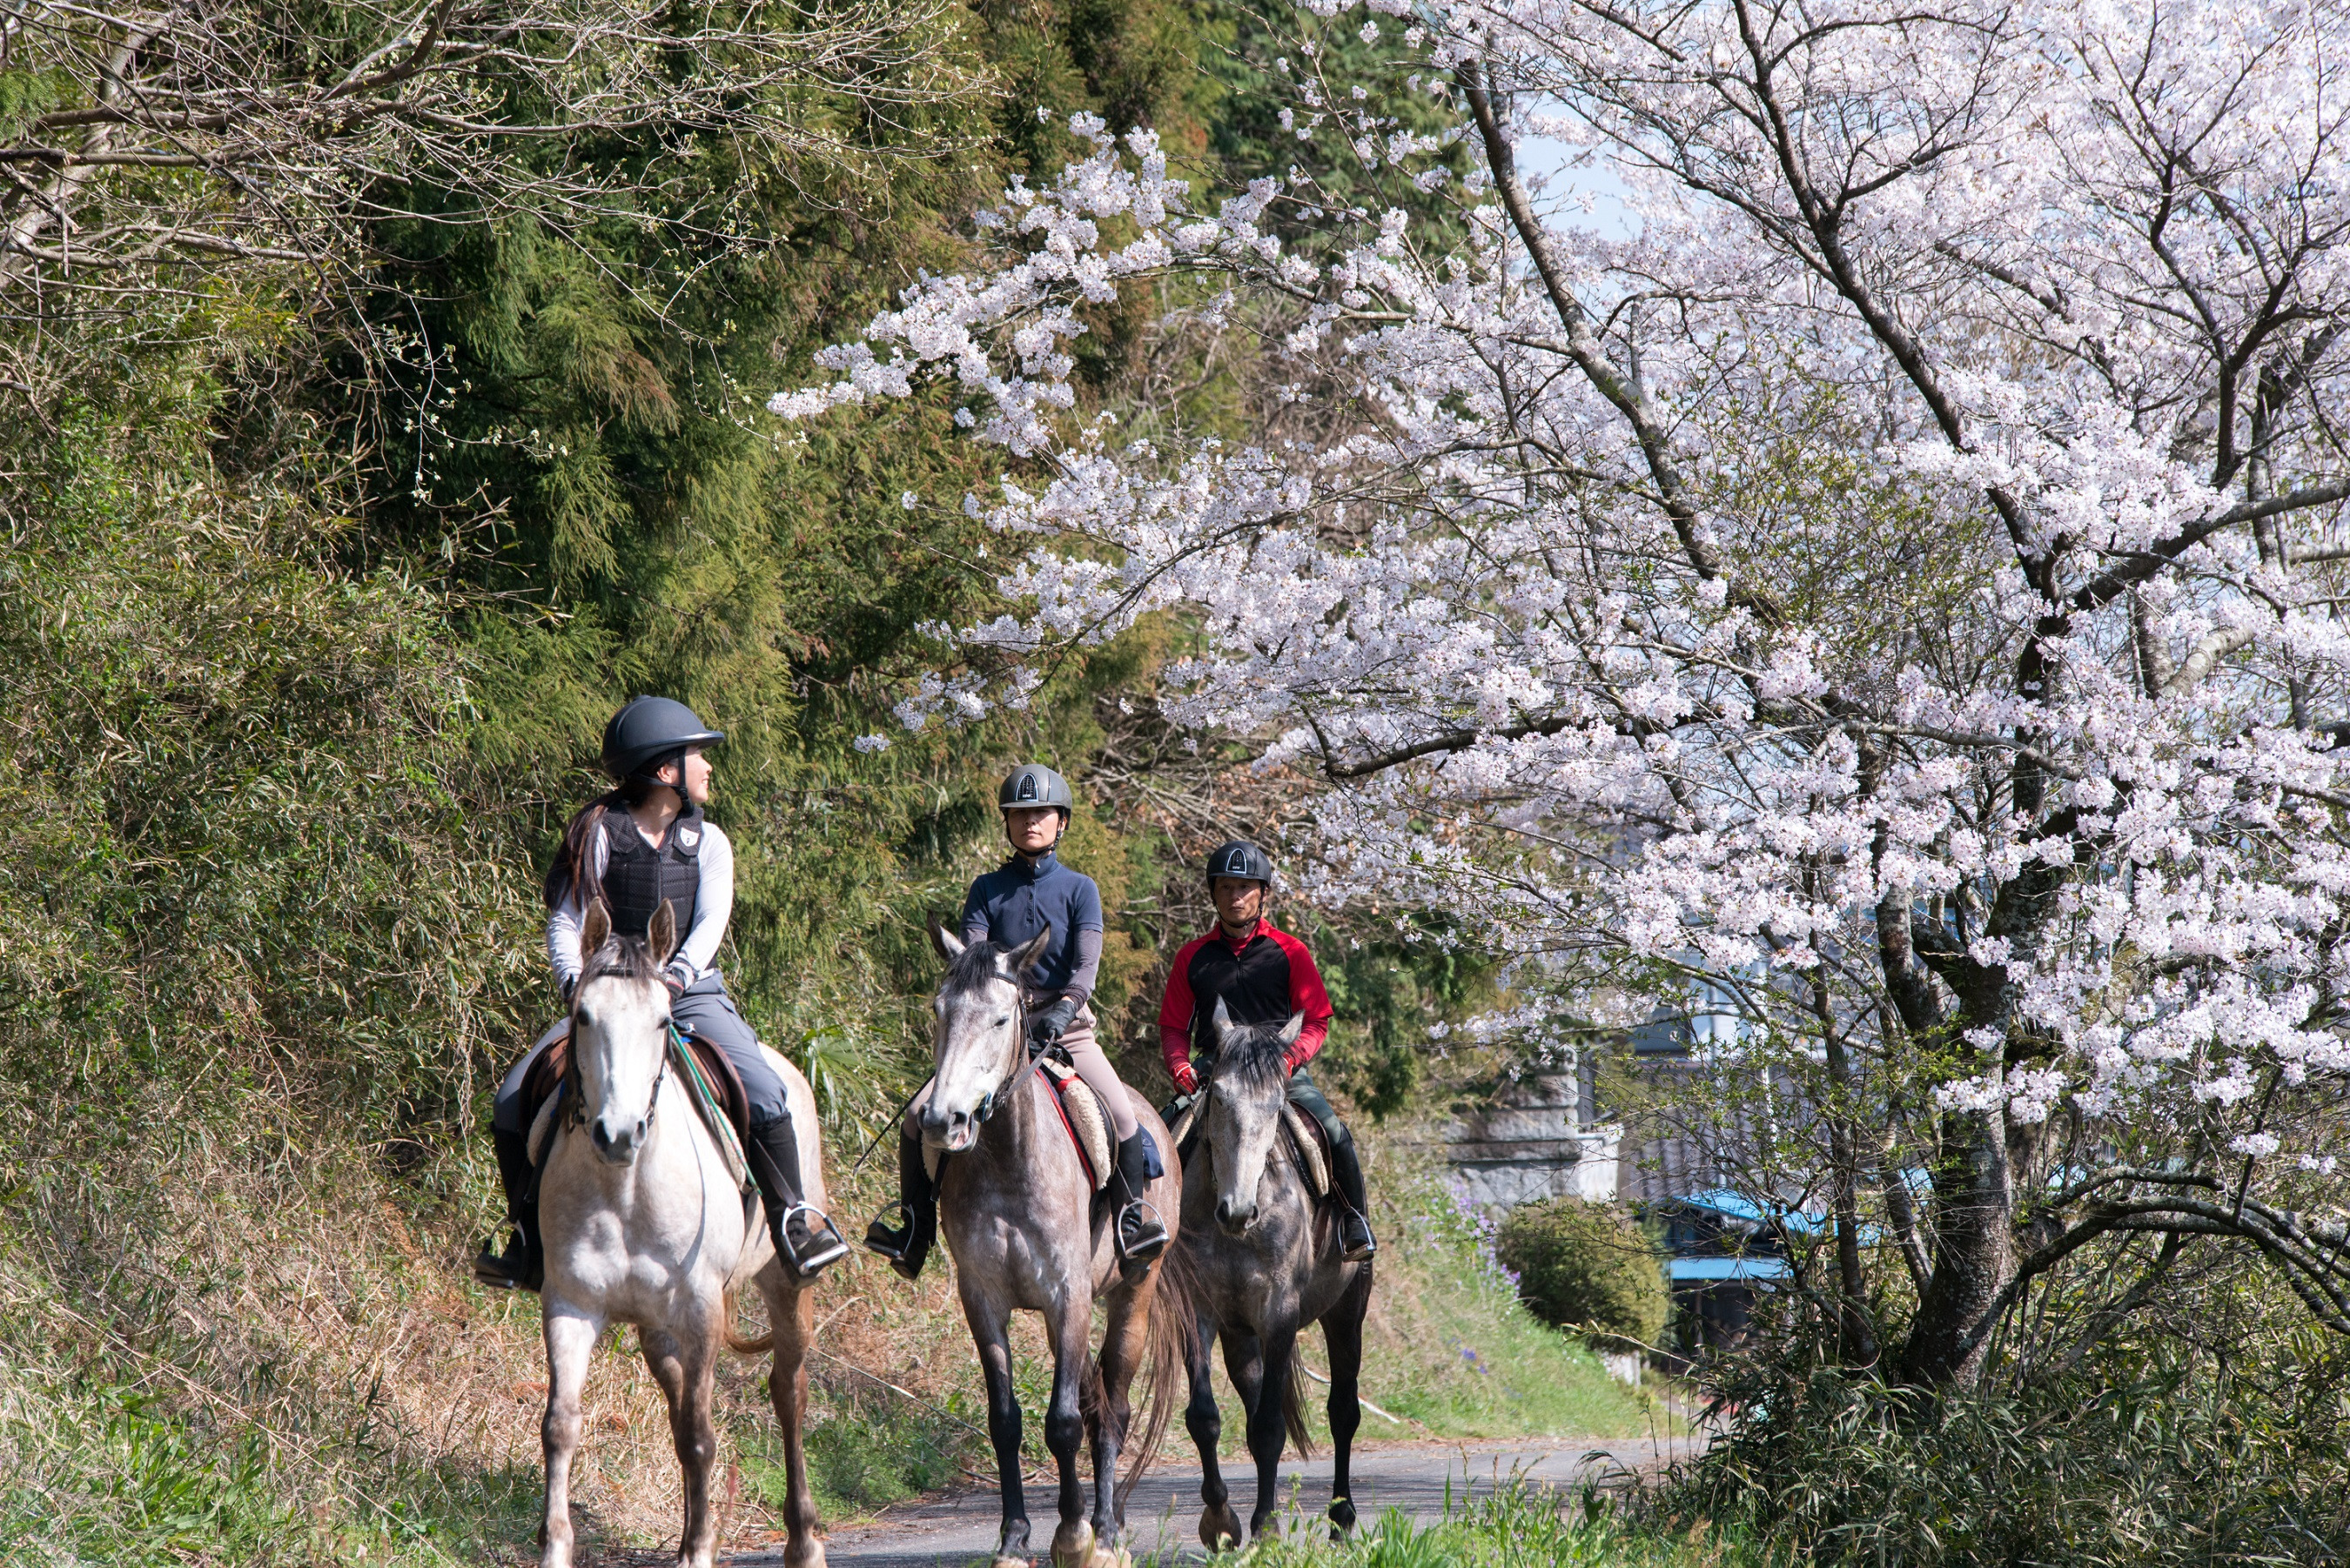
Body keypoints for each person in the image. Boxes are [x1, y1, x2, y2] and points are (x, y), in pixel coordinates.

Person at [474, 696, 850, 1291]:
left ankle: (794, 1220)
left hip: (691, 992)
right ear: (665, 769)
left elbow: (709, 926)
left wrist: (675, 979)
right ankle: (525, 1239)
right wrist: (576, 984)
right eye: (697, 755)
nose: (707, 767)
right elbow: (568, 920)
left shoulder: (713, 844)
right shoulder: (599, 832)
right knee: (511, 1099)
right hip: (608, 998)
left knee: (768, 1091)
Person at [864, 763, 1169, 1280]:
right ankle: (915, 1230)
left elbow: (1086, 966)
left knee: (1121, 1117)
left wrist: (1066, 1011)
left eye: (1041, 812)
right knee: (918, 1118)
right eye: (1019, 813)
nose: (1030, 820)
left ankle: (1131, 1222)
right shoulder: (987, 888)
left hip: (1066, 1026)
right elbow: (974, 959)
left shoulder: (1080, 889)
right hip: (995, 1031)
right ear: (1007, 822)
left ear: (1061, 822)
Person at [1158, 841, 1377, 1262]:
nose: (1235, 897)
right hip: (1216, 1068)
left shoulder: (1291, 952)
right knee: (1162, 1131)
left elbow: (1316, 1021)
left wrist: (1290, 1059)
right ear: (1213, 893)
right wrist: (1180, 1066)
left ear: (1263, 893)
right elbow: (1172, 1026)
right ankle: (1150, 1223)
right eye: (1225, 888)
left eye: (1245, 887)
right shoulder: (1192, 957)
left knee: (1333, 1133)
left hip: (1278, 1068)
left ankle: (1354, 1222)